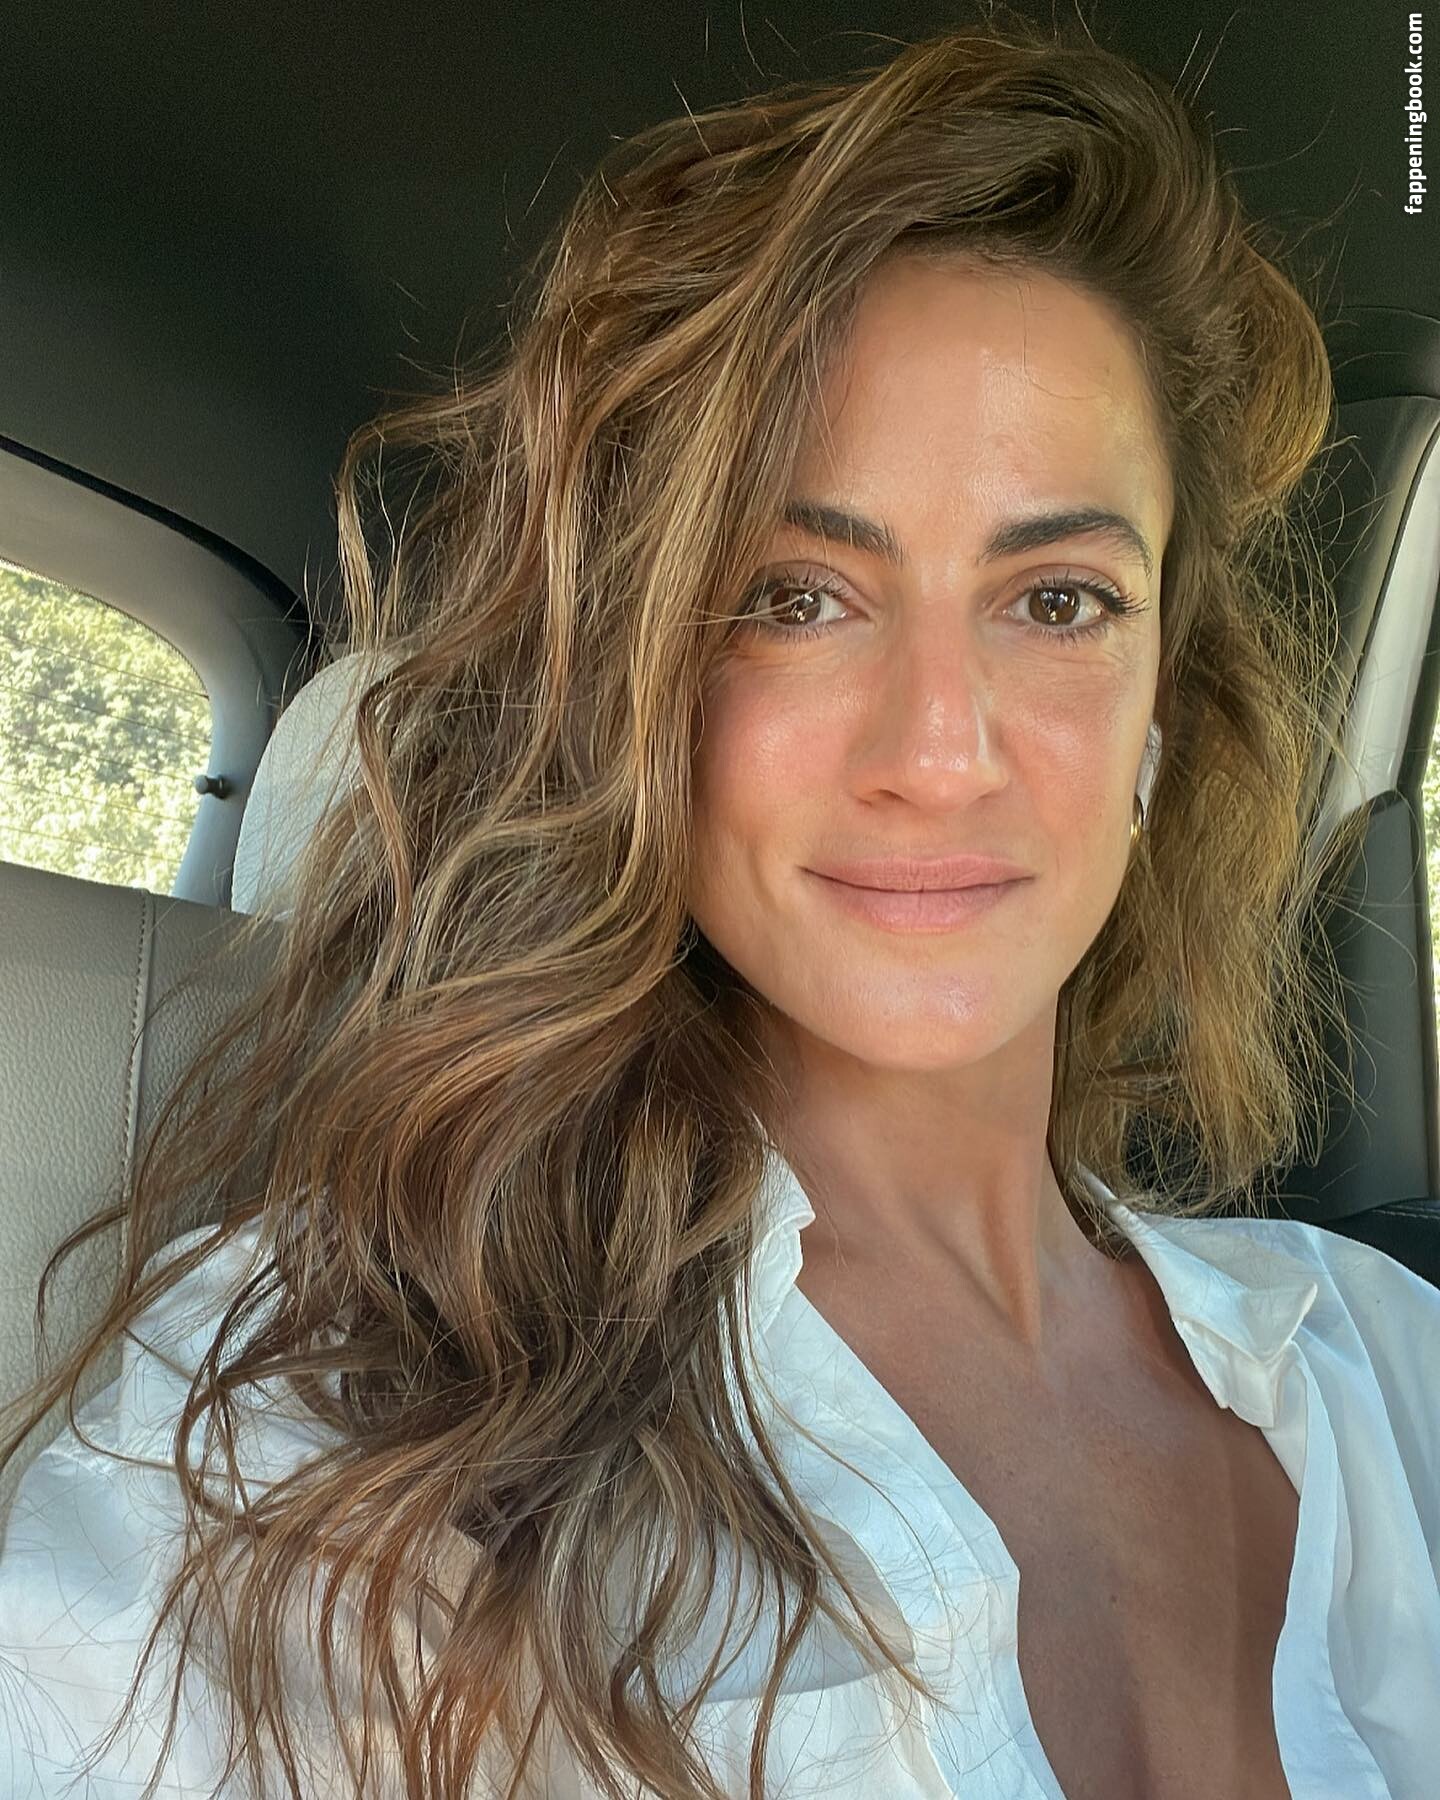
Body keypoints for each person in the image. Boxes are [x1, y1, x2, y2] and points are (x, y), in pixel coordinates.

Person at [0, 11, 1436, 1799]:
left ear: (1165, 698)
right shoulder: (330, 1406)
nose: (939, 752)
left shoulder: (1386, 1369)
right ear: (635, 692)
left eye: (1059, 600)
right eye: (793, 596)